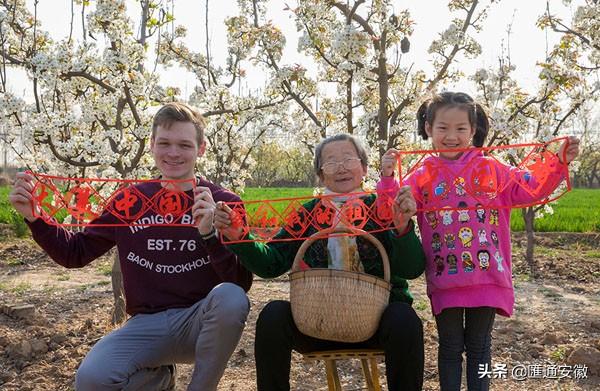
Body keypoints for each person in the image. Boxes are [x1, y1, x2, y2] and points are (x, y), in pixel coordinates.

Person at [9, 102, 253, 391]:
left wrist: (210, 236)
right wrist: (34, 217)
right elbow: (75, 253)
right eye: (164, 143)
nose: (173, 153)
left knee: (231, 298)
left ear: (201, 149)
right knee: (91, 379)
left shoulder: (223, 202)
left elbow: (240, 283)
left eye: (184, 145)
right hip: (146, 324)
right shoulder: (131, 200)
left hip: (200, 323)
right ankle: (158, 378)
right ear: (151, 145)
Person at [377, 91, 580, 391]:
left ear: (473, 131)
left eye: (461, 128)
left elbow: (531, 188)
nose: (451, 136)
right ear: (428, 129)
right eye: (443, 128)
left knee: (480, 348)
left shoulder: (492, 168)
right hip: (446, 278)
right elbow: (390, 212)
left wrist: (558, 162)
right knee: (448, 348)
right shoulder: (421, 176)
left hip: (488, 276)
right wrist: (387, 177)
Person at [210, 134, 426, 391]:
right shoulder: (309, 213)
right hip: (316, 324)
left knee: (404, 318)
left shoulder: (382, 208)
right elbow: (272, 263)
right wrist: (240, 237)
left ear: (365, 168)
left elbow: (411, 269)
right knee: (273, 315)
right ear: (321, 175)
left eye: (349, 159)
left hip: (376, 324)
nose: (342, 167)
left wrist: (402, 228)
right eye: (331, 162)